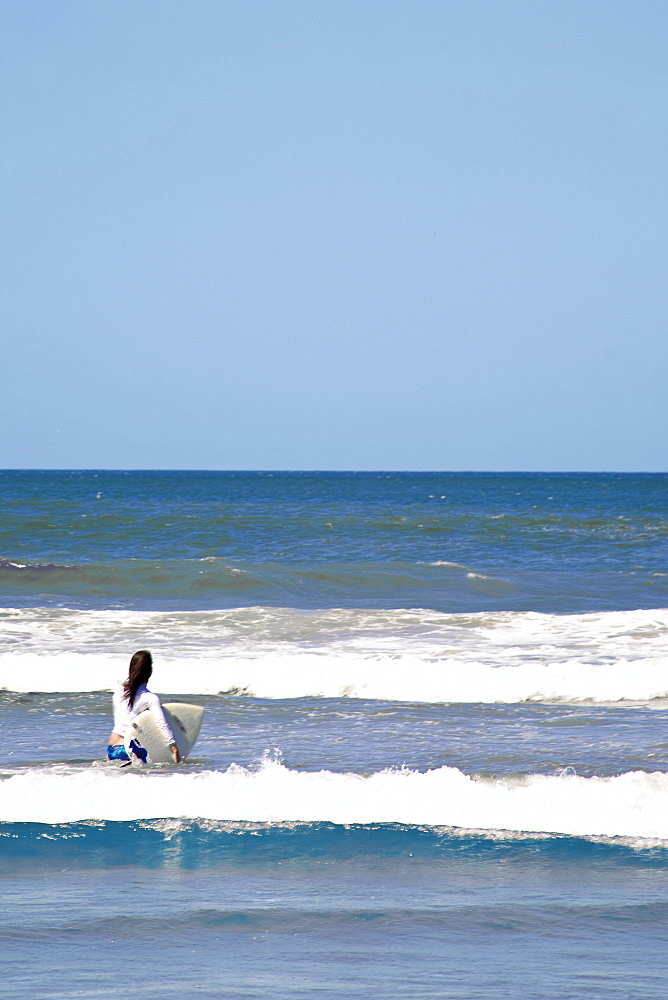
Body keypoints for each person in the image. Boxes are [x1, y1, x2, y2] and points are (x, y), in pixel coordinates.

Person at [107, 649, 181, 764]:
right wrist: (173, 747)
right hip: (129, 749)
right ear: (149, 671)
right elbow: (162, 724)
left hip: (111, 748)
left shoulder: (118, 692)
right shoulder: (150, 698)